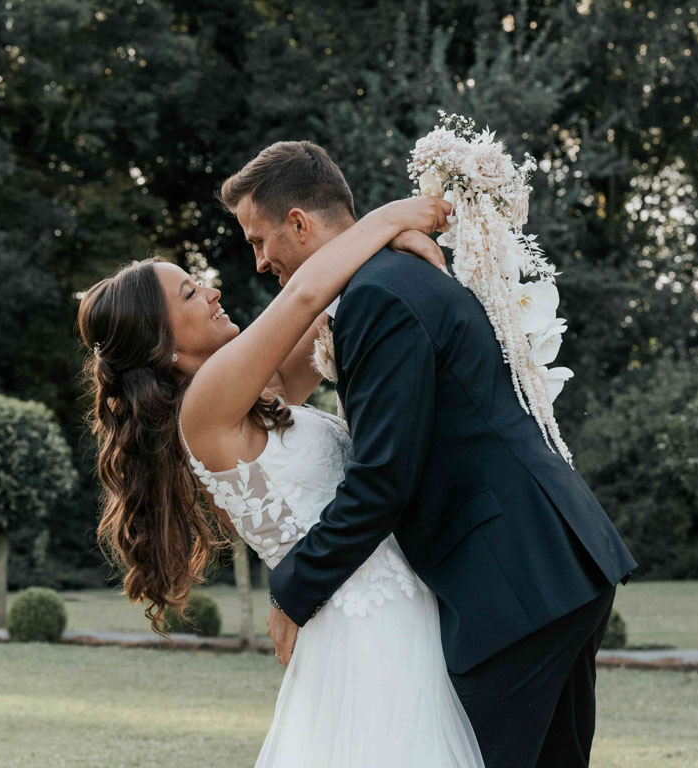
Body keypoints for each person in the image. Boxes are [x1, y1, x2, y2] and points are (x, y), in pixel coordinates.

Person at [227, 141, 636, 768]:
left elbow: (383, 479)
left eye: (259, 240)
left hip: (511, 582)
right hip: (548, 567)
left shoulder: (376, 297)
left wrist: (293, 592)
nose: (259, 261)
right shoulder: (390, 278)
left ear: (300, 223)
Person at [79, 191, 484, 767]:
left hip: (394, 606)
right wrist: (390, 217)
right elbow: (306, 294)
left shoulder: (255, 399)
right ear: (160, 343)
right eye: (190, 293)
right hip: (366, 626)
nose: (213, 291)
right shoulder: (206, 408)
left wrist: (383, 243)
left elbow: (325, 306)